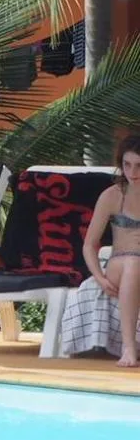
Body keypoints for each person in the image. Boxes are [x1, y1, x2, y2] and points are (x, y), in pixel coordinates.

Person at [83, 133, 140, 368]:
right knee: (134, 263)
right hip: (119, 262)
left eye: (139, 165)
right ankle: (128, 347)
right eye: (127, 165)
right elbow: (89, 245)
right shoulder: (112, 196)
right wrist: (98, 277)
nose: (132, 172)